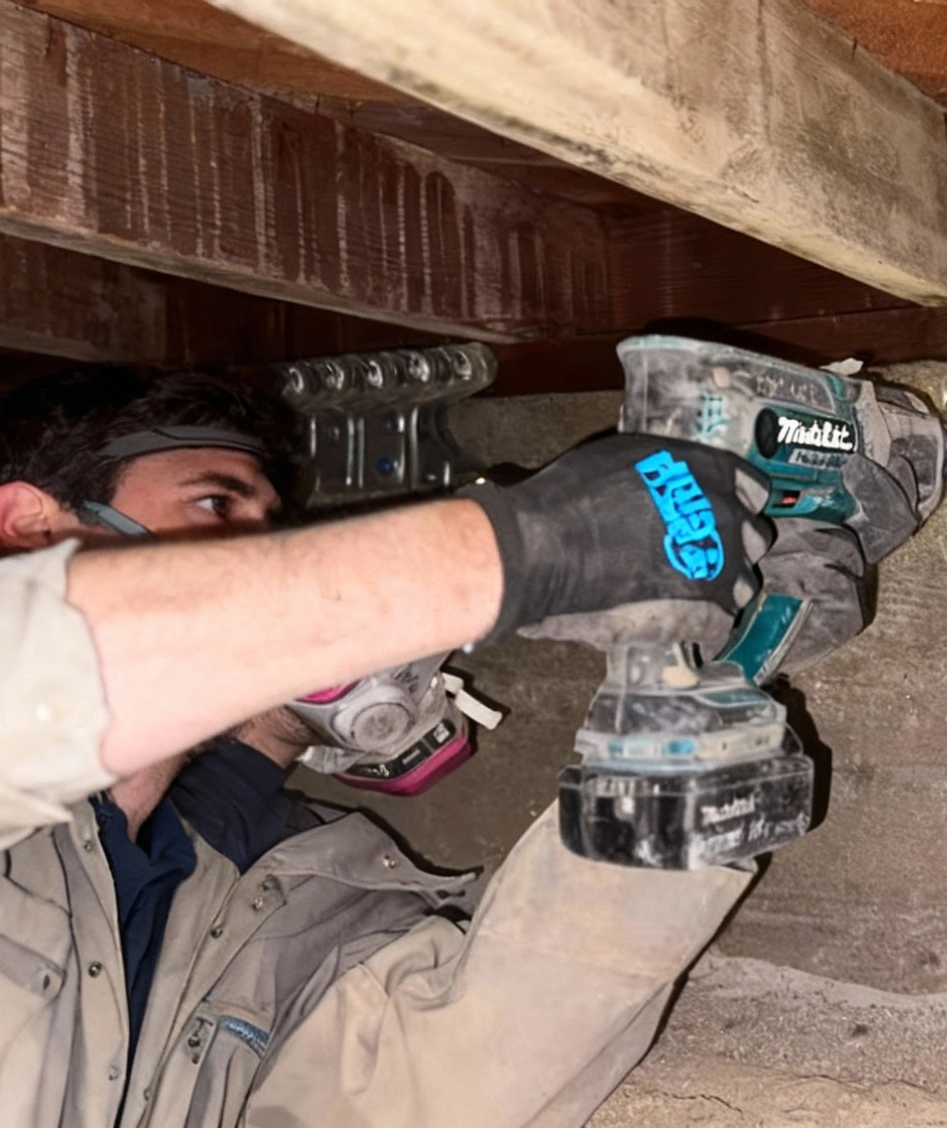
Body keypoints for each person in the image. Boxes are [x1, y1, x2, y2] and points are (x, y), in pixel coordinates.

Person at [0, 362, 870, 1127]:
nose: (264, 559)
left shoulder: (287, 890)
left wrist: (679, 762)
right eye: (214, 505)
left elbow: (443, 1081)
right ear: (30, 527)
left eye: (275, 533)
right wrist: (531, 546)